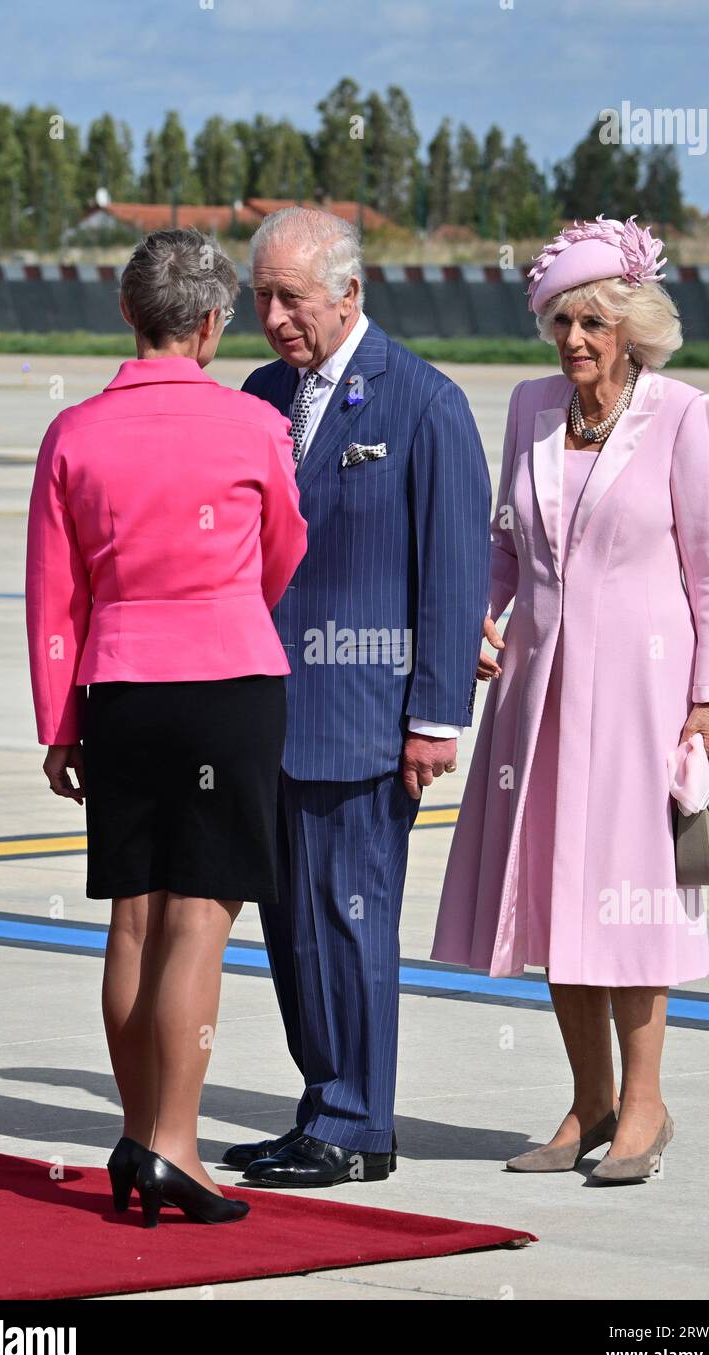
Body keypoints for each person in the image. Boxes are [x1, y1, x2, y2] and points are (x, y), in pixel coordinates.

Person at [431, 215, 709, 1182]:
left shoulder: (685, 414)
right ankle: (589, 1100)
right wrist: (473, 618)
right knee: (555, 892)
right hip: (539, 693)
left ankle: (645, 1105)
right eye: (562, 322)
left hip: (646, 699)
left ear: (633, 326)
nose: (574, 342)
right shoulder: (528, 407)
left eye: (594, 323)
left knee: (635, 899)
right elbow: (505, 543)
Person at [24, 227, 307, 1226]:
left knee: (133, 917)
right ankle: (171, 1146)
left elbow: (53, 597)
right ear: (207, 323)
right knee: (201, 915)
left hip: (121, 690)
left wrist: (59, 722)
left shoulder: (75, 433)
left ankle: (136, 1133)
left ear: (125, 315)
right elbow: (283, 553)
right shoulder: (251, 428)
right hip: (228, 682)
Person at [220, 206, 491, 1187]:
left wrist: (432, 717)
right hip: (266, 714)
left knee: (351, 916)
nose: (276, 317)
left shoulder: (424, 403)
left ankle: (358, 1121)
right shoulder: (257, 394)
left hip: (366, 718)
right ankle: (320, 1104)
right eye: (262, 298)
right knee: (290, 928)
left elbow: (454, 574)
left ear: (349, 293)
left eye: (292, 297)